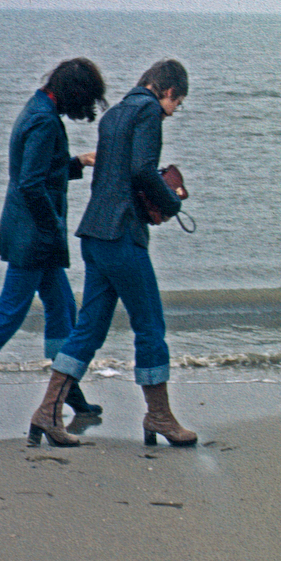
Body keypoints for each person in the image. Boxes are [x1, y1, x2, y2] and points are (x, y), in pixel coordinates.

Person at [28, 58, 197, 448]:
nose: (173, 112)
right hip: (122, 236)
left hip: (94, 234)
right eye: (178, 103)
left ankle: (48, 412)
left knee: (89, 329)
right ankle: (159, 416)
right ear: (167, 91)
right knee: (150, 325)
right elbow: (141, 171)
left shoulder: (116, 114)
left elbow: (113, 172)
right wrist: (170, 204)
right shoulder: (149, 113)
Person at [0, 57, 107, 425]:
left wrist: (78, 162)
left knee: (62, 308)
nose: (87, 109)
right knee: (10, 313)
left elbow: (42, 171)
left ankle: (68, 390)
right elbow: (31, 183)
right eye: (87, 99)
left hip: (31, 232)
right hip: (33, 237)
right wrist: (50, 227)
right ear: (75, 93)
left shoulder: (39, 106)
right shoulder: (45, 120)